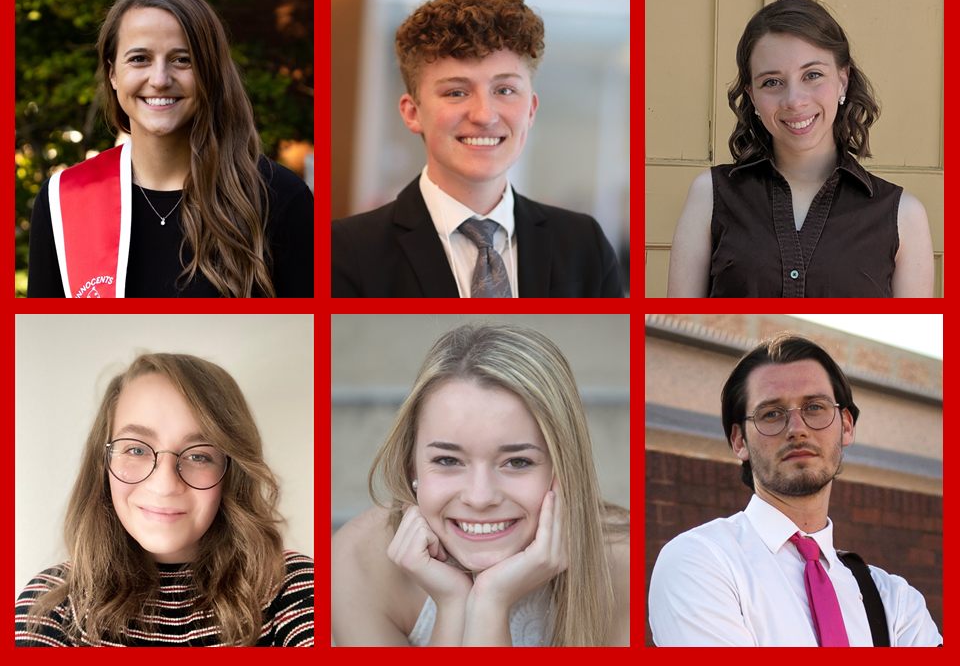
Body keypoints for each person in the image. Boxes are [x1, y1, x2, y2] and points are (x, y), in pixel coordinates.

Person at [331, 323, 629, 645]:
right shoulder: (359, 561)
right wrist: (453, 604)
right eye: (448, 460)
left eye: (517, 462)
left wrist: (491, 602)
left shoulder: (622, 562)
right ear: (411, 466)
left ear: (564, 470)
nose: (480, 497)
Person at [648, 333, 942, 646]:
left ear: (846, 426)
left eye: (814, 407)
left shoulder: (895, 603)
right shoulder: (701, 562)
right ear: (739, 440)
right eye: (771, 414)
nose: (797, 429)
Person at [26, 0, 313, 298]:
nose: (160, 80)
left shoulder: (278, 197)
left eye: (182, 59)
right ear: (112, 73)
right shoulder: (63, 199)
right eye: (139, 59)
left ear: (210, 71)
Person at [331, 0, 623, 297]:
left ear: (531, 110)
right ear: (413, 112)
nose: (485, 115)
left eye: (505, 90)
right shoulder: (345, 251)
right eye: (456, 92)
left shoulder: (583, 242)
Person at [15, 353, 314, 646]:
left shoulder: (294, 589)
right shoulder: (50, 605)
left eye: (199, 455)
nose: (164, 485)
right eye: (136, 450)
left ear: (232, 472)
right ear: (102, 462)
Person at [667, 0, 933, 297]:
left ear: (843, 81)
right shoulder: (709, 196)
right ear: (752, 96)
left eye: (813, 75)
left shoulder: (904, 215)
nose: (794, 100)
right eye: (771, 82)